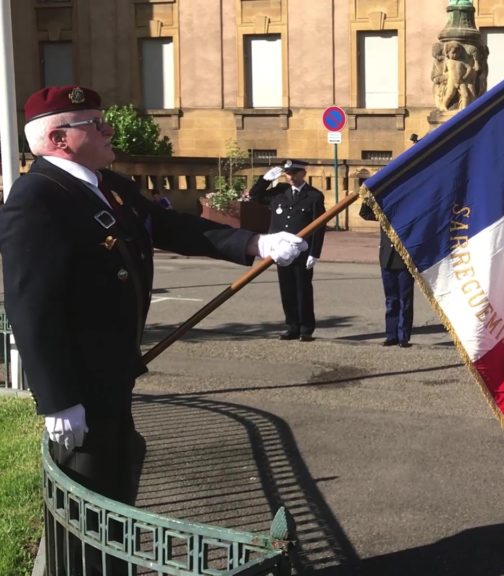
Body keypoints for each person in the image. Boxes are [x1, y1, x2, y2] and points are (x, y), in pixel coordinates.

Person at [0, 85, 307, 506]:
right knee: (89, 495)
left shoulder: (108, 184)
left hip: (115, 370)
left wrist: (257, 244)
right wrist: (58, 399)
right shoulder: (37, 197)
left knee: (120, 473)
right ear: (59, 139)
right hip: (81, 382)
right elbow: (31, 305)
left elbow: (171, 226)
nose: (109, 130)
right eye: (96, 124)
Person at [249, 159, 326, 341]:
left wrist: (315, 252)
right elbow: (255, 196)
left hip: (301, 251)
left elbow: (319, 226)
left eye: (293, 173)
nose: (290, 177)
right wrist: (265, 180)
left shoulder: (314, 196)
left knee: (303, 290)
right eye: (288, 174)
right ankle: (291, 326)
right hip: (280, 250)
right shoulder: (279, 192)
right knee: (287, 289)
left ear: (303, 174)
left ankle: (306, 329)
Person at [360, 202, 414, 347]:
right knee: (391, 300)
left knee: (405, 300)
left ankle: (403, 336)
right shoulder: (385, 206)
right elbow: (365, 214)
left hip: (404, 259)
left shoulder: (411, 208)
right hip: (387, 258)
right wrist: (367, 195)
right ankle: (391, 335)